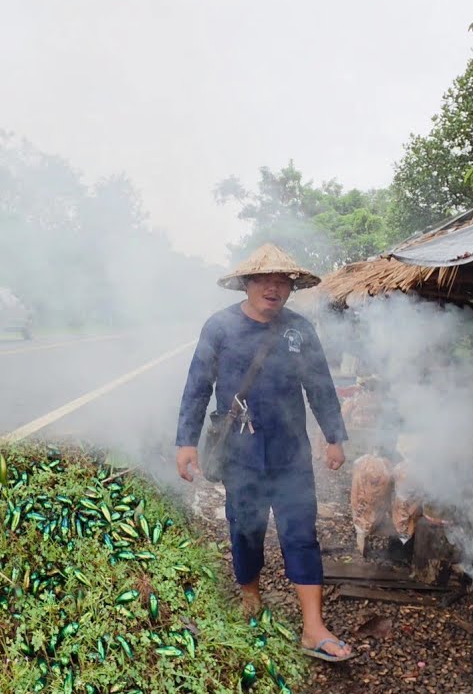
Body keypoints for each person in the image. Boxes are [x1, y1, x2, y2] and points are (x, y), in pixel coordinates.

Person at [174, 243, 356, 663]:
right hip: (240, 454)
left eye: (283, 281)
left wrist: (334, 436)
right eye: (264, 280)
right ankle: (251, 597)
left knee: (300, 534)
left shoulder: (299, 330)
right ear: (247, 284)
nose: (274, 288)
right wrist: (186, 442)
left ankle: (313, 628)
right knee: (245, 529)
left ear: (292, 287)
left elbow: (320, 385)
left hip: (291, 452)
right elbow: (198, 386)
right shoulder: (219, 327)